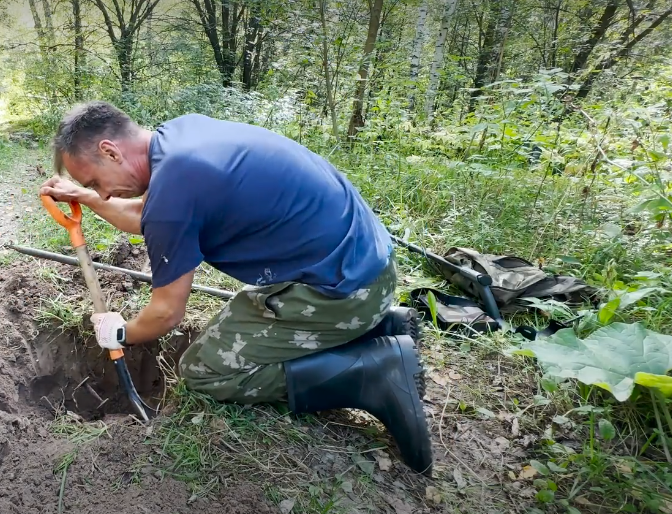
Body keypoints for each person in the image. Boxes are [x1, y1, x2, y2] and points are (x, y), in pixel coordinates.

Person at [39, 100, 433, 475]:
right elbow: (148, 216)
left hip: (340, 291)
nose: (105, 193)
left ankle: (373, 372)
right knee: (231, 329)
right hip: (365, 265)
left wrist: (119, 331)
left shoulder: (173, 193)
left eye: (96, 181)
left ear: (110, 151)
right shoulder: (180, 139)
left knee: (203, 371)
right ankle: (378, 326)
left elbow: (166, 313)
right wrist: (88, 198)